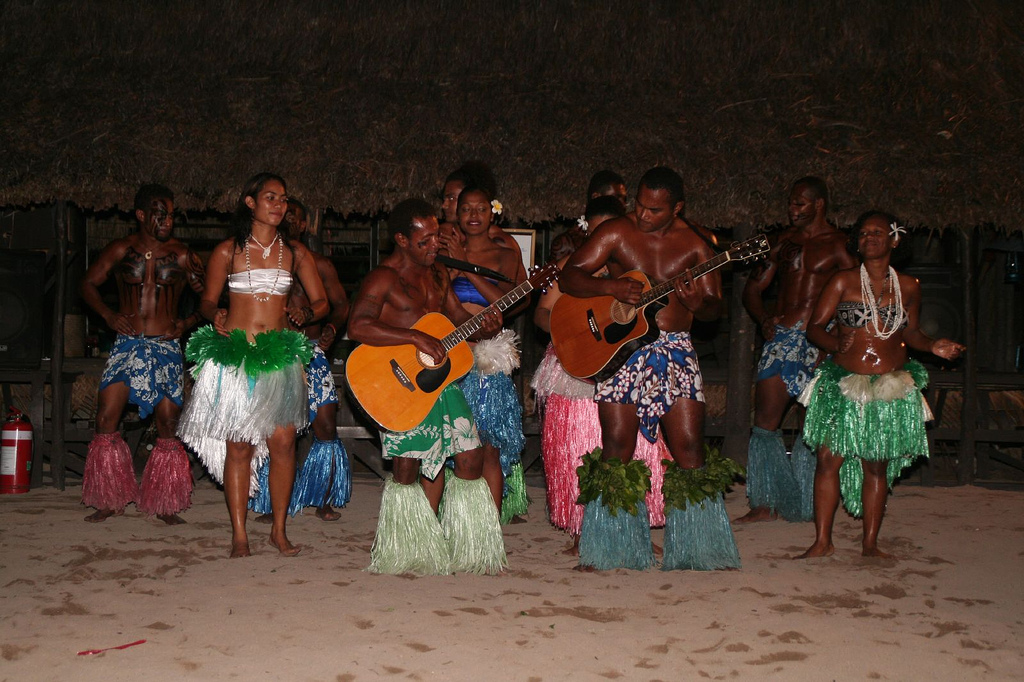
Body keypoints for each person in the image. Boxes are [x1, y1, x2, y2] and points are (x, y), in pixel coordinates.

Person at [559, 166, 741, 571]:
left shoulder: (696, 247)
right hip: (622, 352)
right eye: (639, 204)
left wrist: (697, 303)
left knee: (690, 449)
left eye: (654, 210)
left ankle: (699, 550)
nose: (642, 215)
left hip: (675, 350)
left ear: (676, 208)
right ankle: (608, 551)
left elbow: (714, 308)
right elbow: (570, 275)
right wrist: (610, 287)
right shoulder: (616, 233)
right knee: (616, 448)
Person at [347, 198, 506, 575]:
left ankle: (466, 547)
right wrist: (413, 338)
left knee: (471, 457)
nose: (436, 244)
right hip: (399, 385)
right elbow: (358, 326)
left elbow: (453, 316)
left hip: (442, 383)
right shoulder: (383, 278)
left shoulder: (437, 274)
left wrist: (481, 324)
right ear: (402, 239)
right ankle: (405, 549)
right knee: (407, 468)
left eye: (437, 235)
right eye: (426, 239)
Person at [796, 211, 964, 559]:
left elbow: (912, 333)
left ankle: (870, 543)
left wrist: (934, 346)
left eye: (877, 232)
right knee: (828, 459)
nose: (869, 238)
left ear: (894, 239)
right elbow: (815, 327)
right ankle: (822, 541)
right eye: (863, 233)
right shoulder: (842, 281)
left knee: (876, 463)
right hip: (844, 383)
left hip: (890, 383)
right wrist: (831, 345)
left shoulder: (908, 286)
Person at [177, 173, 328, 558]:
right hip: (236, 355)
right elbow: (207, 302)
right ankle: (240, 535)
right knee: (239, 445)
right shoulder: (228, 251)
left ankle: (279, 530)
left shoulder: (295, 253)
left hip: (279, 355)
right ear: (250, 202)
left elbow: (323, 303)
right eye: (270, 198)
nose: (279, 205)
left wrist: (305, 311)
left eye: (283, 199)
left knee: (283, 442)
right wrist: (218, 314)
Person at [533, 195, 673, 554]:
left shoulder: (635, 271)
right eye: (596, 232)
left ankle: (633, 525)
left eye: (612, 231)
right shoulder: (569, 268)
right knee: (579, 447)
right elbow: (541, 314)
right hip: (574, 365)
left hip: (624, 365)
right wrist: (573, 333)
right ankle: (584, 527)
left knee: (635, 446)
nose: (604, 239)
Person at [80, 183, 205, 524]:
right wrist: (108, 316)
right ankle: (110, 497)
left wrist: (186, 323)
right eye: (159, 214)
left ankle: (165, 502)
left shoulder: (182, 255)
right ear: (140, 215)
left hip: (165, 347)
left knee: (167, 423)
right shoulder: (121, 249)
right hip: (127, 345)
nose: (167, 220)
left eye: (171, 214)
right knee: (106, 417)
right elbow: (87, 284)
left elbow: (209, 300)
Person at [737, 177, 858, 524]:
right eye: (790, 202)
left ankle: (807, 501)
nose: (792, 209)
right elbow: (752, 289)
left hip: (821, 340)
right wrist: (762, 319)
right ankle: (765, 502)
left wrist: (834, 341)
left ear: (819, 204)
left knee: (813, 425)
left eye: (800, 203)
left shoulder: (840, 245)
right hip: (783, 339)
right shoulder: (782, 243)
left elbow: (855, 294)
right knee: (764, 421)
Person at [249, 198, 352, 522]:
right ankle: (273, 501)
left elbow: (340, 304)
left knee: (325, 423)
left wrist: (332, 329)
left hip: (310, 349)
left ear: (304, 225)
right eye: (283, 213)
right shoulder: (257, 262)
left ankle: (323, 497)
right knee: (276, 427)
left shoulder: (318, 264)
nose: (287, 219)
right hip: (275, 350)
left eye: (294, 216)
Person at [441, 185, 529, 524]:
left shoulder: (505, 254)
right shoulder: (443, 251)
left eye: (481, 209)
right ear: (457, 213)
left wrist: (467, 268)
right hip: (449, 354)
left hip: (487, 360)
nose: (474, 216)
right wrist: (453, 265)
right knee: (457, 446)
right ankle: (455, 521)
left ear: (492, 212)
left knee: (489, 447)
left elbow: (503, 304)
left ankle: (489, 528)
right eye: (466, 209)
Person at [550, 171, 629, 262]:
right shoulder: (567, 242)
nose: (623, 204)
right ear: (596, 197)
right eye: (616, 198)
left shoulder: (627, 235)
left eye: (624, 199)